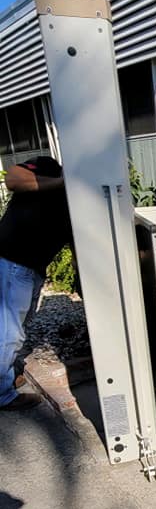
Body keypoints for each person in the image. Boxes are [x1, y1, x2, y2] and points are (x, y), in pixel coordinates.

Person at [0, 155, 72, 410]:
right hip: (12, 260)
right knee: (9, 332)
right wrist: (64, 182)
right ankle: (3, 395)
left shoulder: (80, 201)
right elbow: (12, 179)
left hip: (32, 268)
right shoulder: (48, 167)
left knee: (16, 328)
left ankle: (7, 376)